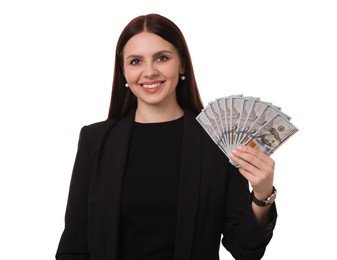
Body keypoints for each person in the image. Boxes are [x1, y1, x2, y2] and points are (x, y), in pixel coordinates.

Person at [55, 13, 277, 260]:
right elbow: (73, 246)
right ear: (123, 71)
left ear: (181, 63)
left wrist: (262, 195)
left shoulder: (217, 140)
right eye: (136, 61)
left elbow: (244, 249)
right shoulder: (95, 140)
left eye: (162, 58)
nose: (149, 72)